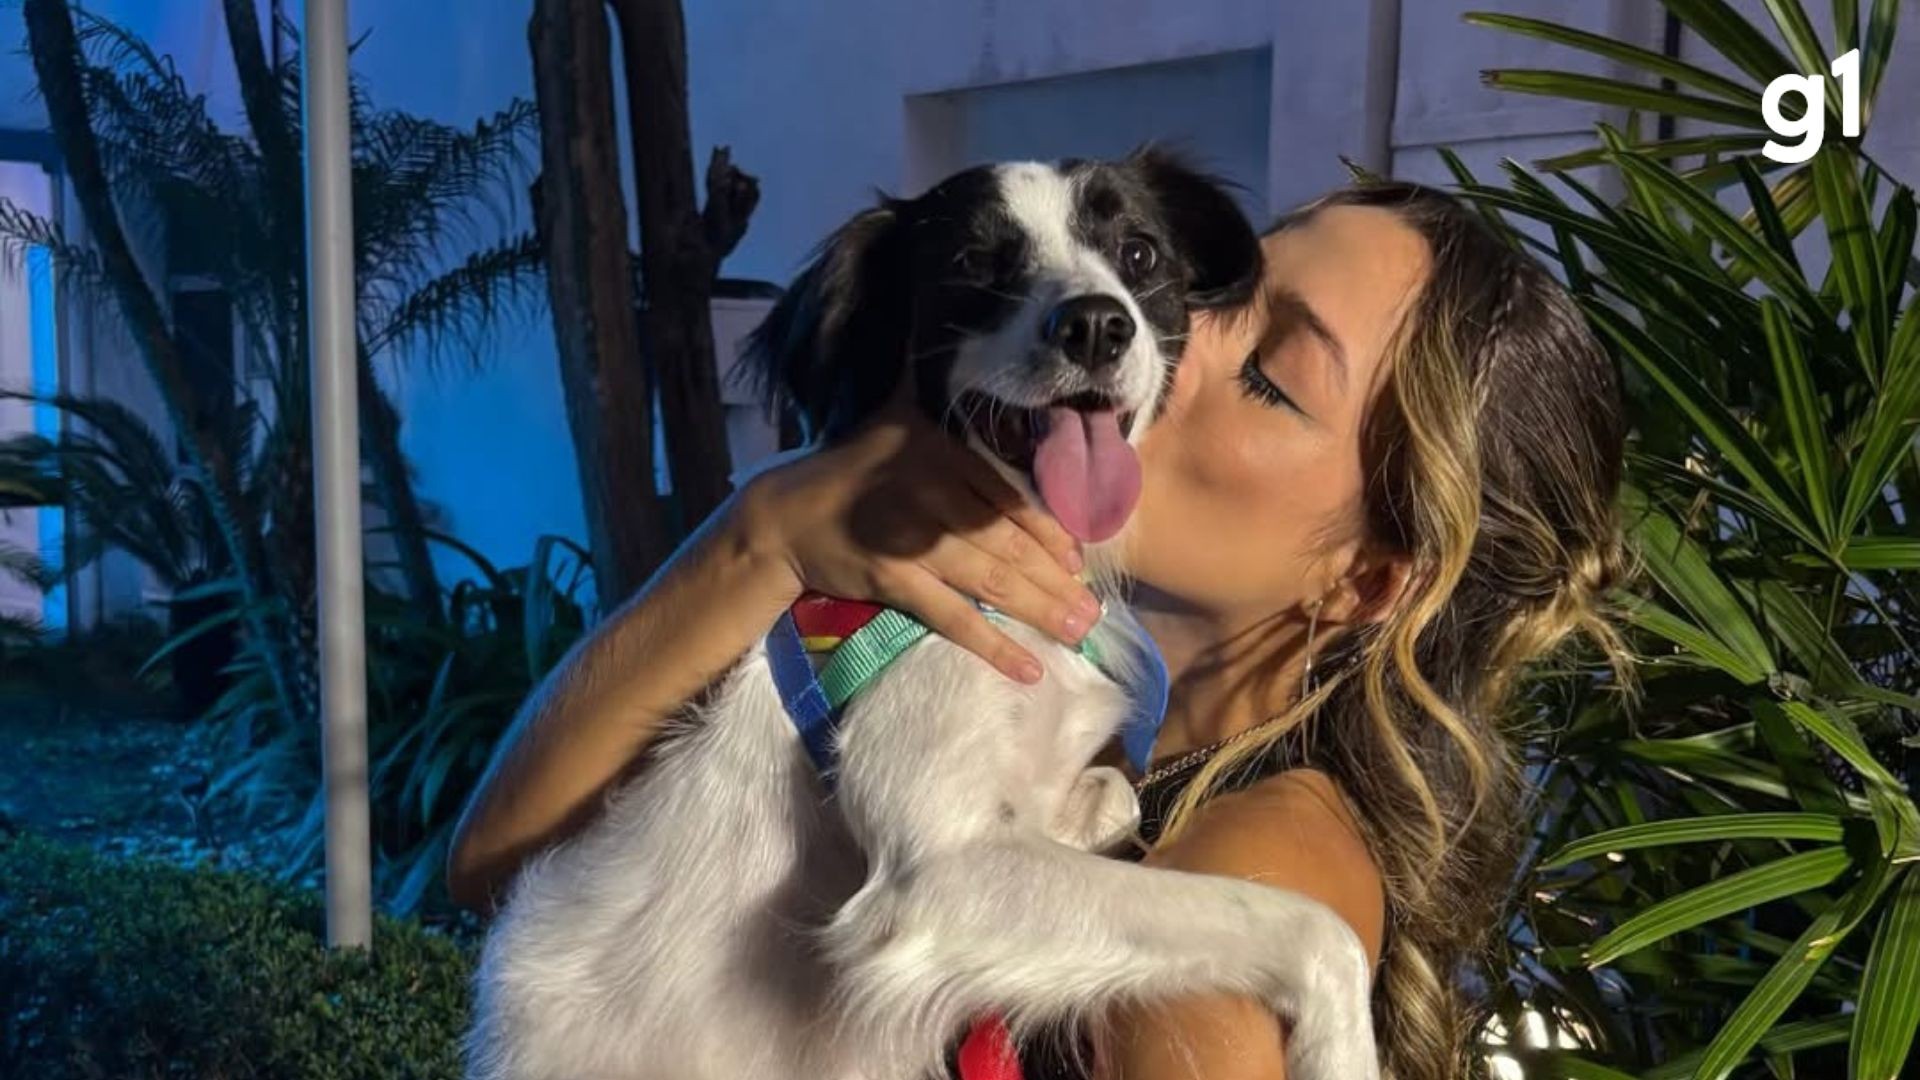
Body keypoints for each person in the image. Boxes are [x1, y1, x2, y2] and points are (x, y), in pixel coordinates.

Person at [447, 179, 1628, 1080]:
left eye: (1271, 373)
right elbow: (504, 870)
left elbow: (942, 906)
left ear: (1366, 580)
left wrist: (1305, 960)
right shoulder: (1075, 705)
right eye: (1212, 291)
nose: (1171, 344)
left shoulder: (1267, 851)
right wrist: (760, 538)